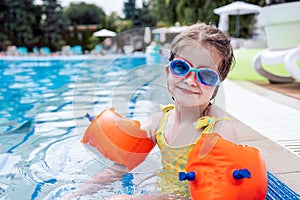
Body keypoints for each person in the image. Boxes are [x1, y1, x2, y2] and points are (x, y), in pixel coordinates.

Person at [64, 23, 237, 199]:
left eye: (206, 75)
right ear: (168, 71)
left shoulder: (219, 130)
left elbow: (215, 192)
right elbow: (121, 167)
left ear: (216, 86)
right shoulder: (159, 121)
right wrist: (78, 193)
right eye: (181, 67)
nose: (191, 80)